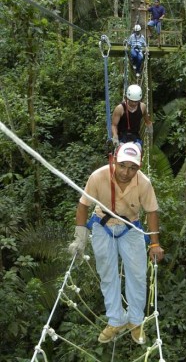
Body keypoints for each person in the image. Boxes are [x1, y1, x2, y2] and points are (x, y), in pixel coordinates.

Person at [69, 142, 164, 345]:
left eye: (132, 167)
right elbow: (83, 205)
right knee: (107, 274)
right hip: (103, 227)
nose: (126, 172)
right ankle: (116, 320)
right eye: (122, 165)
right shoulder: (98, 177)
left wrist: (154, 244)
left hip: (131, 229)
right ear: (114, 161)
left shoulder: (143, 183)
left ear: (138, 167)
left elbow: (152, 212)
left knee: (137, 275)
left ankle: (135, 321)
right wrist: (80, 238)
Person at [111, 84, 153, 149]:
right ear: (127, 98)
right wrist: (115, 136)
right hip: (122, 137)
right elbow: (114, 125)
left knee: (137, 151)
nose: (134, 103)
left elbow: (146, 118)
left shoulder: (142, 107)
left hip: (135, 137)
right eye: (132, 101)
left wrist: (149, 126)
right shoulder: (120, 109)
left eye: (136, 101)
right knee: (122, 152)